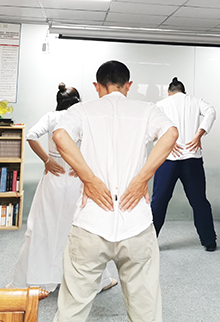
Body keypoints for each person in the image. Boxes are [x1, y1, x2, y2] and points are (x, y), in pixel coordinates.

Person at [52, 61, 178, 322]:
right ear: (128, 85)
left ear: (97, 86)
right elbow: (171, 134)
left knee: (72, 309)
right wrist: (142, 178)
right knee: (146, 311)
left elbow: (60, 136)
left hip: (91, 221)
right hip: (136, 222)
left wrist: (89, 179)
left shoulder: (82, 110)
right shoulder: (146, 110)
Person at [9, 86, 116, 292]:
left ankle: (39, 278)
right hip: (76, 180)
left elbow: (31, 135)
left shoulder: (51, 117)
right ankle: (90, 280)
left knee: (44, 227)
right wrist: (82, 165)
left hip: (53, 179)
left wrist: (47, 160)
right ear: (77, 101)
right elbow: (98, 145)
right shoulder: (82, 117)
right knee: (79, 229)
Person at [151, 77, 218, 251]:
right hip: (192, 158)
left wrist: (166, 141)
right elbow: (211, 112)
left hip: (168, 159)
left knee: (159, 201)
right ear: (184, 91)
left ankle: (149, 243)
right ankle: (209, 241)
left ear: (169, 92)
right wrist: (199, 134)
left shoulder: (161, 104)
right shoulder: (195, 101)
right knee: (199, 201)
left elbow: (151, 127)